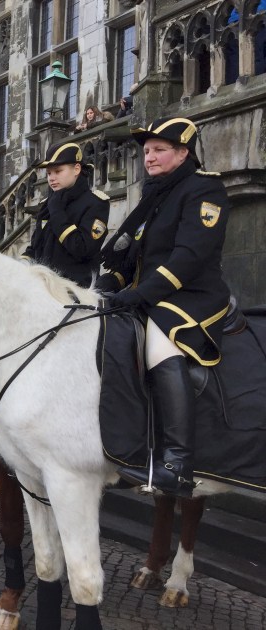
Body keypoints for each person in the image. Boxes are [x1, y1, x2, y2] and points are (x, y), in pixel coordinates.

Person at [98, 116, 231, 498]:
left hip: (193, 297)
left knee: (160, 338)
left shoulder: (205, 190)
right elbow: (138, 259)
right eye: (146, 152)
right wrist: (106, 287)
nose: (150, 158)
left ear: (183, 153)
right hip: (155, 293)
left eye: (159, 150)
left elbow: (188, 258)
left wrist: (140, 295)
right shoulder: (155, 197)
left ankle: (177, 462)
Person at [20, 142, 110, 288]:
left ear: (76, 169)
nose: (51, 178)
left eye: (58, 171)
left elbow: (82, 249)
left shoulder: (95, 203)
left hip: (76, 293)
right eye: (49, 173)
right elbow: (36, 247)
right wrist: (21, 264)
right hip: (43, 290)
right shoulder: (49, 204)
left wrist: (57, 213)